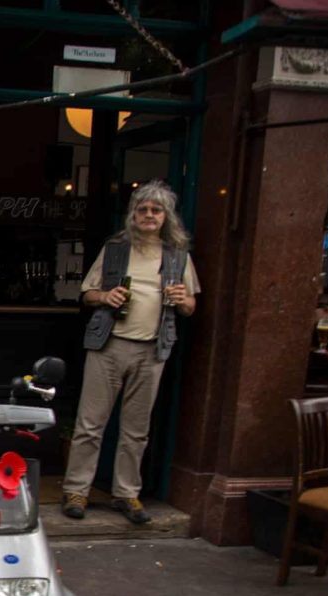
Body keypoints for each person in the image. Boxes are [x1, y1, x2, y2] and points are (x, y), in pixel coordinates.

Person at [61, 180, 199, 524]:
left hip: (153, 349)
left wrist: (183, 301)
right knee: (90, 424)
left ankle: (127, 494)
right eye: (143, 209)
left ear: (166, 217)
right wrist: (105, 297)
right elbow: (88, 294)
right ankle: (77, 491)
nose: (149, 215)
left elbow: (192, 306)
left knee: (136, 429)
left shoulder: (178, 256)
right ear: (133, 215)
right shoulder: (115, 249)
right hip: (109, 345)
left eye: (156, 210)